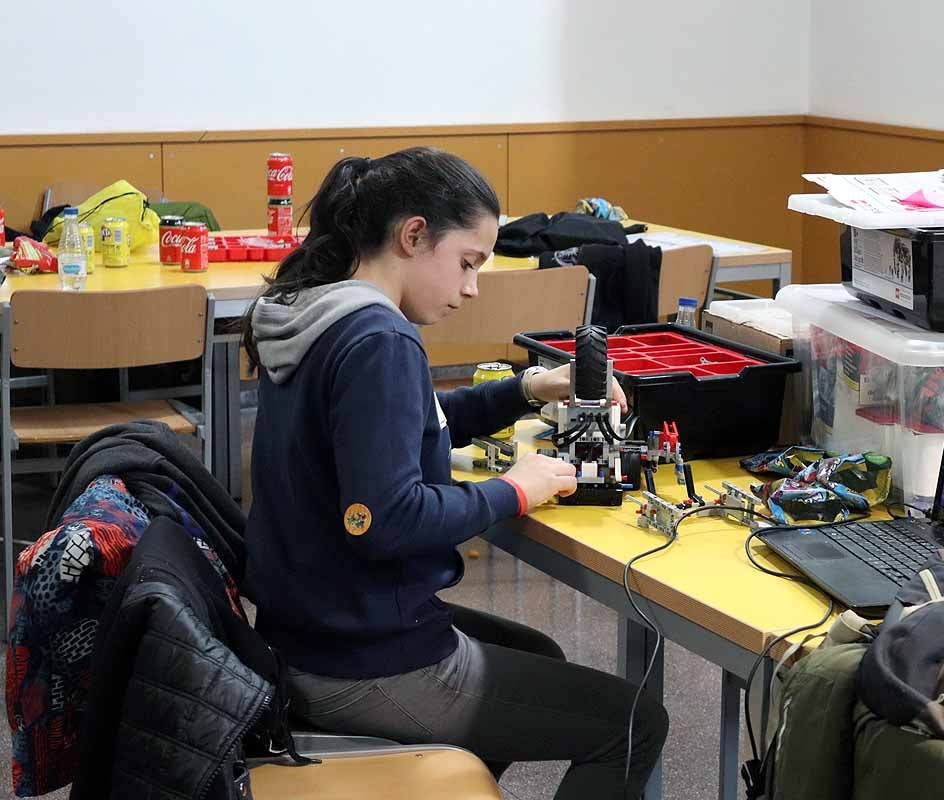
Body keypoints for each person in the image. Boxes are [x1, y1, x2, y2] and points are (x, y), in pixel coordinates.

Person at [241, 147, 668, 799]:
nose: (471, 288)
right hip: (362, 662)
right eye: (467, 263)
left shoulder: (315, 312)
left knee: (540, 658)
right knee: (634, 725)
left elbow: (413, 423)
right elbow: (386, 522)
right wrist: (514, 490)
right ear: (413, 235)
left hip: (307, 632)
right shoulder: (378, 339)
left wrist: (527, 387)